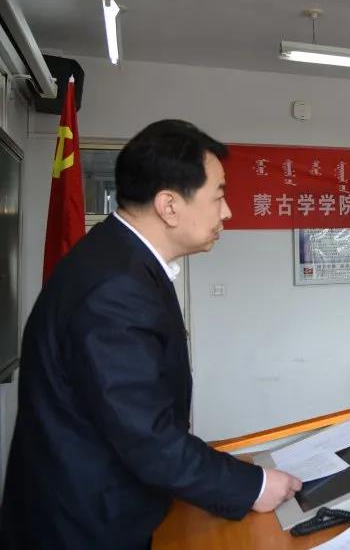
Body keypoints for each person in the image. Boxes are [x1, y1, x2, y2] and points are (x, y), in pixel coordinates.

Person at [0, 120, 302, 549]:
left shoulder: (118, 260)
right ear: (169, 206)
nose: (227, 212)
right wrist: (253, 486)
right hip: (83, 527)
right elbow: (146, 436)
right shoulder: (115, 286)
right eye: (218, 195)